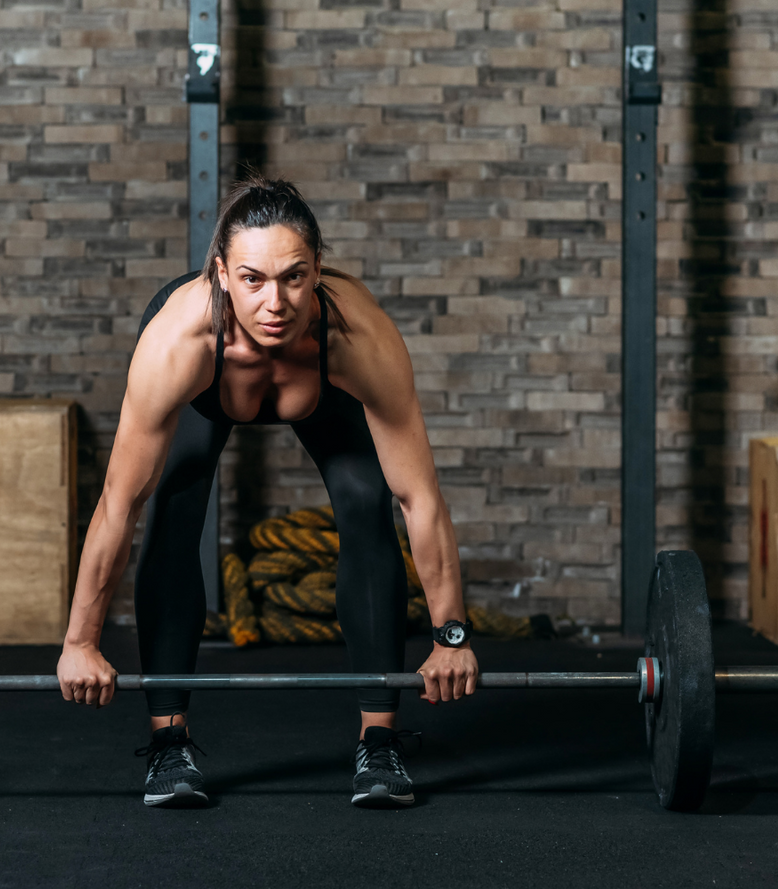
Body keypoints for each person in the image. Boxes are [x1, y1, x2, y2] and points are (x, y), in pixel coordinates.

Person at [55, 175, 479, 809]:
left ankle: (380, 743)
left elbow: (420, 499)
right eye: (253, 279)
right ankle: (169, 744)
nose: (274, 302)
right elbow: (121, 503)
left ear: (317, 271)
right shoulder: (180, 342)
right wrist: (81, 641)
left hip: (322, 387)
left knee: (368, 507)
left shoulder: (356, 338)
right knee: (173, 507)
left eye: (294, 277)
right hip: (209, 384)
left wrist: (451, 637)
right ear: (223, 273)